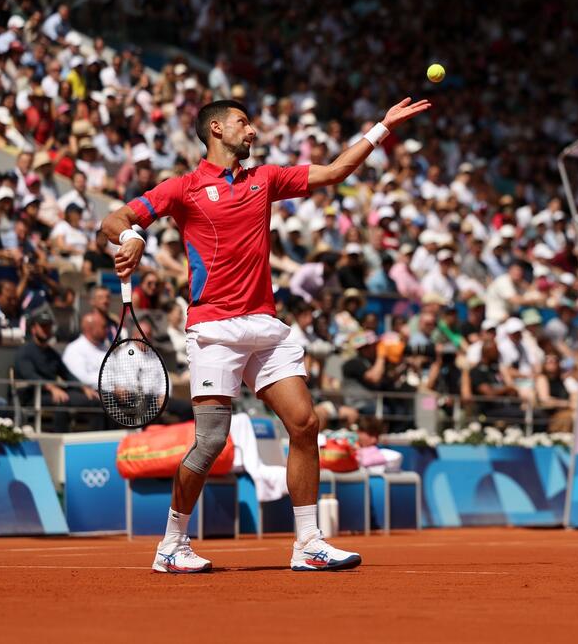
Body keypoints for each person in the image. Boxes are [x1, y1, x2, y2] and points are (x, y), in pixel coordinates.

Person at [101, 96, 429, 573]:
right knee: (211, 441)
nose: (252, 131)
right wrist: (131, 238)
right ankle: (171, 544)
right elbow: (115, 219)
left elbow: (336, 171)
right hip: (214, 327)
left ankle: (308, 542)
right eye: (242, 123)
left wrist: (382, 127)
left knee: (305, 424)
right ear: (215, 129)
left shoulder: (265, 179)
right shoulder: (184, 188)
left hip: (265, 325)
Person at [13, 309, 101, 432]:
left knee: (95, 400)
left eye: (48, 326)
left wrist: (83, 387)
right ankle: (62, 439)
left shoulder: (51, 353)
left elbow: (67, 374)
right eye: (42, 326)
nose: (46, 329)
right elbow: (30, 375)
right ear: (33, 329)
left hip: (55, 393)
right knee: (62, 402)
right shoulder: (25, 351)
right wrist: (51, 387)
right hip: (33, 395)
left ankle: (98, 437)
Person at [62, 311, 109, 389]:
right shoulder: (74, 349)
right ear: (90, 328)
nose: (107, 330)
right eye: (103, 327)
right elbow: (80, 379)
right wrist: (112, 384)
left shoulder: (106, 349)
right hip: (91, 395)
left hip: (117, 395)